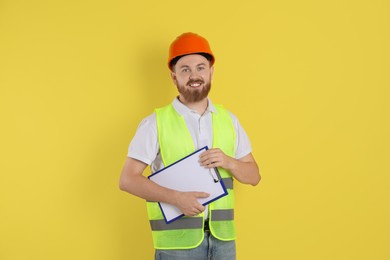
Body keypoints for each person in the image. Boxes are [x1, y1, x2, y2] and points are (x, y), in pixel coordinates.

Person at [119, 32, 261, 260]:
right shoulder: (155, 123)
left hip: (223, 241)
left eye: (200, 67)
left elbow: (254, 176)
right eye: (185, 69)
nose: (194, 75)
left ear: (211, 71)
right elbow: (127, 180)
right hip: (177, 246)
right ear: (174, 77)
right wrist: (176, 198)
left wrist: (228, 162)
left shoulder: (229, 120)